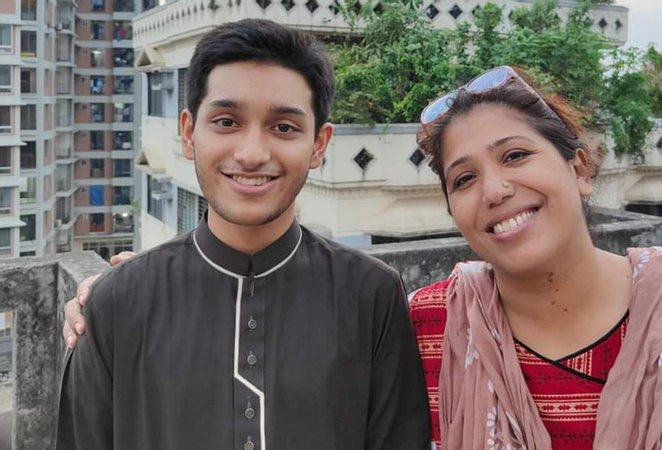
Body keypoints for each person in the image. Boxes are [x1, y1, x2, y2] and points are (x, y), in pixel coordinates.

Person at [64, 65, 662, 449]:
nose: (497, 190)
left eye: (517, 156)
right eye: (464, 179)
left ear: (579, 167)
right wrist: (137, 292)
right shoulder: (429, 326)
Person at [56, 19, 429, 450]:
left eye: (284, 127)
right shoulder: (115, 303)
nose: (252, 154)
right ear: (189, 133)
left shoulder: (372, 295)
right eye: (226, 121)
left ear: (319, 145)